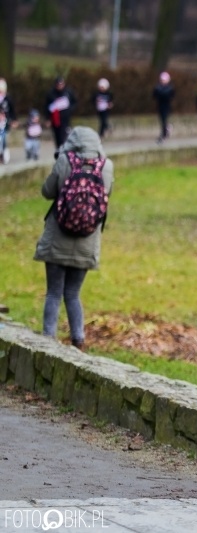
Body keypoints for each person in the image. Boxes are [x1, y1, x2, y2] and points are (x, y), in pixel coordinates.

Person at [33, 126, 114, 350]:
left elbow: (47, 191)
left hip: (58, 236)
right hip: (87, 241)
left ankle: (48, 341)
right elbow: (107, 197)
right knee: (72, 293)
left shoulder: (65, 161)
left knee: (53, 292)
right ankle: (78, 340)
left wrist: (60, 165)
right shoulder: (106, 166)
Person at [44, 76, 77, 151]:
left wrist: (70, 110)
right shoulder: (51, 94)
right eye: (58, 84)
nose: (60, 86)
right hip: (55, 120)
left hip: (65, 119)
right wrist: (47, 119)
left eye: (61, 84)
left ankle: (65, 151)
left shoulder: (68, 92)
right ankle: (59, 152)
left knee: (64, 137)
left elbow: (74, 102)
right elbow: (47, 107)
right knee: (57, 137)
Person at [153, 71, 175, 144]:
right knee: (162, 120)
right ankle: (167, 129)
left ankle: (163, 136)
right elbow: (154, 96)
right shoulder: (158, 87)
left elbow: (170, 95)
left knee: (164, 120)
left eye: (164, 80)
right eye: (162, 80)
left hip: (166, 106)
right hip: (160, 106)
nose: (163, 81)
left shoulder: (169, 88)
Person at [0, 78, 16, 164]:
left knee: (4, 140)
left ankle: (4, 156)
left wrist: (14, 120)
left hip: (5, 123)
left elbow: (12, 110)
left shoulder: (8, 99)